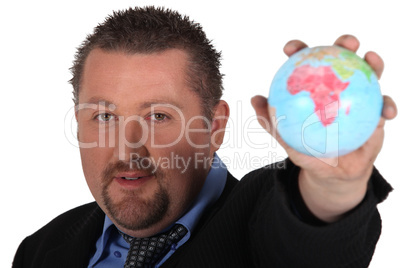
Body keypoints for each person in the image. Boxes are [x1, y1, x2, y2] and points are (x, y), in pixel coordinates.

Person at [12, 6, 397, 268]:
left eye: (159, 115)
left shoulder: (259, 219)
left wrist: (332, 187)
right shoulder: (39, 249)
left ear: (214, 128)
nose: (126, 147)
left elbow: (309, 243)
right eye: (105, 116)